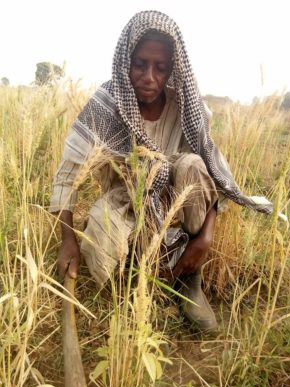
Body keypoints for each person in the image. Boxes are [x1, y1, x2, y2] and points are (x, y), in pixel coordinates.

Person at [49, 10, 273, 330]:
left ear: (172, 69)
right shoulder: (105, 105)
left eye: (161, 67)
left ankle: (188, 279)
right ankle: (137, 281)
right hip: (129, 203)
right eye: (140, 64)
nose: (149, 77)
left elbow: (211, 171)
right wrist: (67, 241)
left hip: (179, 206)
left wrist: (205, 239)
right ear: (126, 60)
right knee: (101, 226)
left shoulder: (186, 106)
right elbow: (66, 176)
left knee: (193, 165)